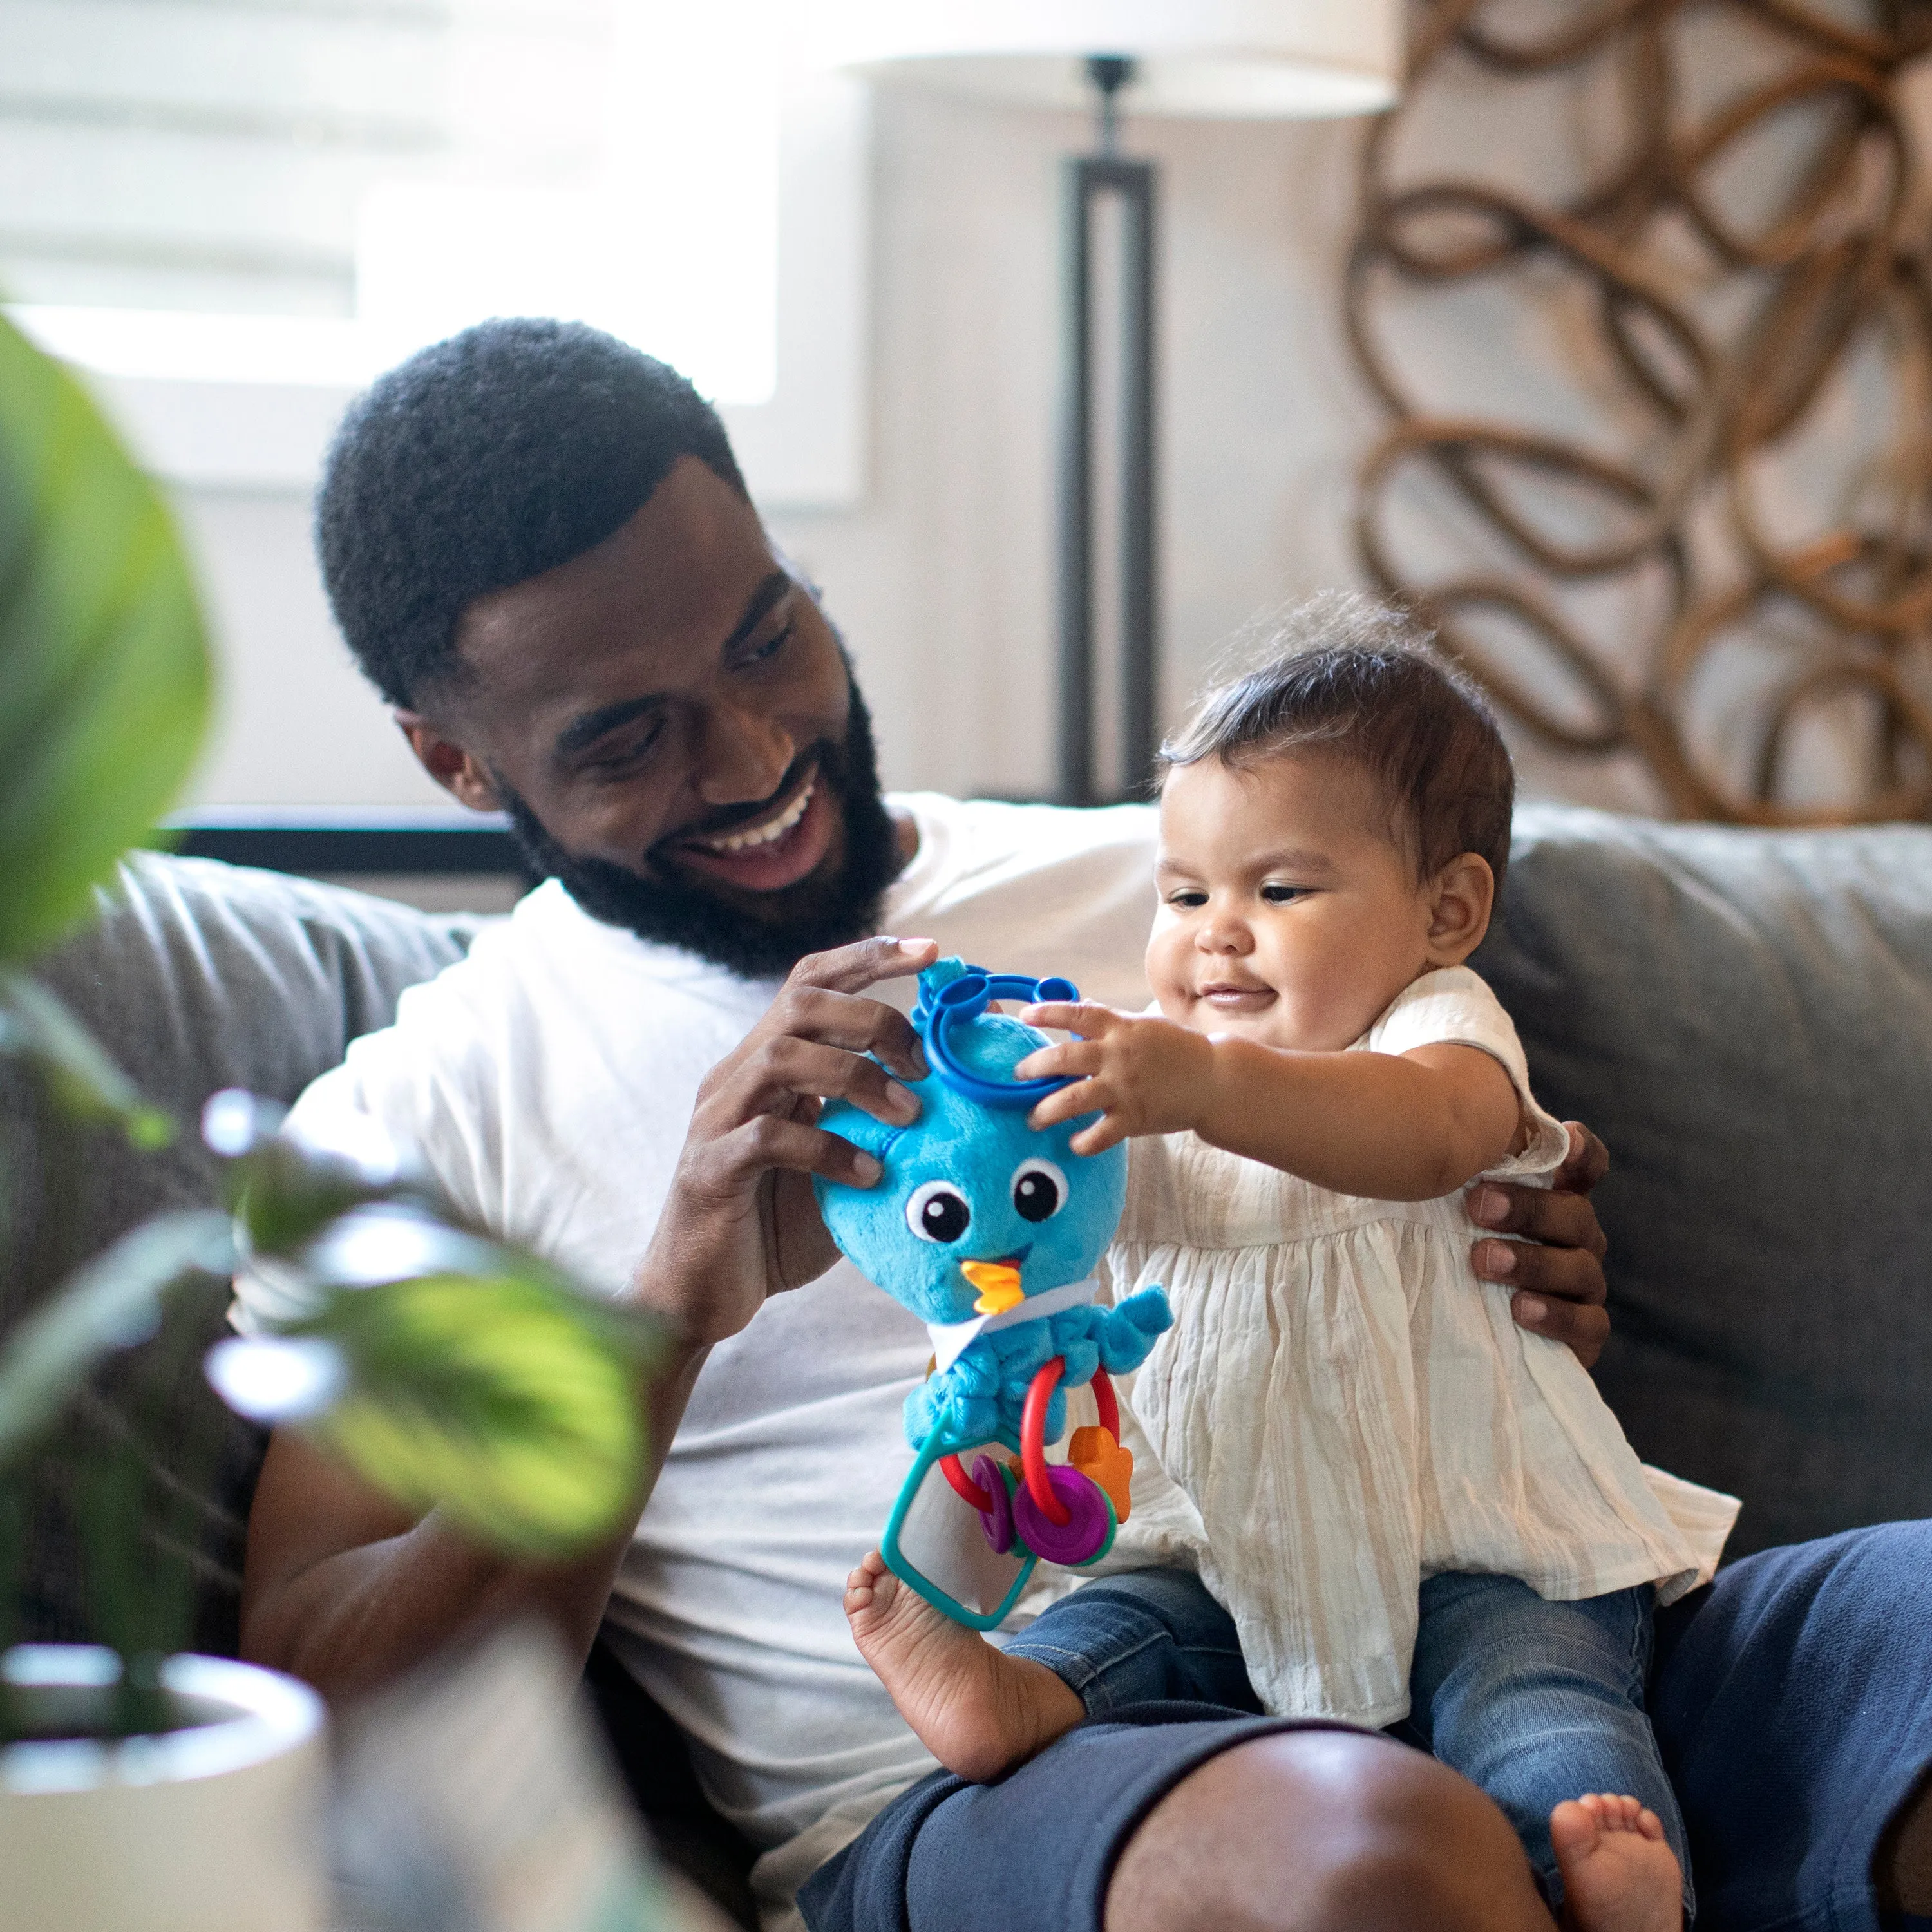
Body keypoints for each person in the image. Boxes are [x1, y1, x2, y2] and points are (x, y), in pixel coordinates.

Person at [234, 318, 1932, 1932]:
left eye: (769, 636)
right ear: (460, 763)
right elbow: (310, 1705)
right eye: (626, 736)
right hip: (1007, 1763)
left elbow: (1461, 1138)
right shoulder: (415, 1124)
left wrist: (1514, 1208)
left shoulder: (1192, 878)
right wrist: (664, 1308)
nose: (754, 752)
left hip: (1497, 1619)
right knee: (1366, 1851)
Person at [840, 629, 1732, 1932]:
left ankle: (1590, 1871)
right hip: (1222, 1540)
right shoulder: (1133, 1098)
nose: (1219, 939)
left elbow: (1431, 1135)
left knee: (1534, 1699)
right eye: (1187, 896)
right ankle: (1015, 1697)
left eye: (1283, 892)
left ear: (1447, 913)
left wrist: (1207, 1085)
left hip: (1478, 1534)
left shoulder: (1436, 1030)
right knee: (1130, 1629)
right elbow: (1036, 1267)